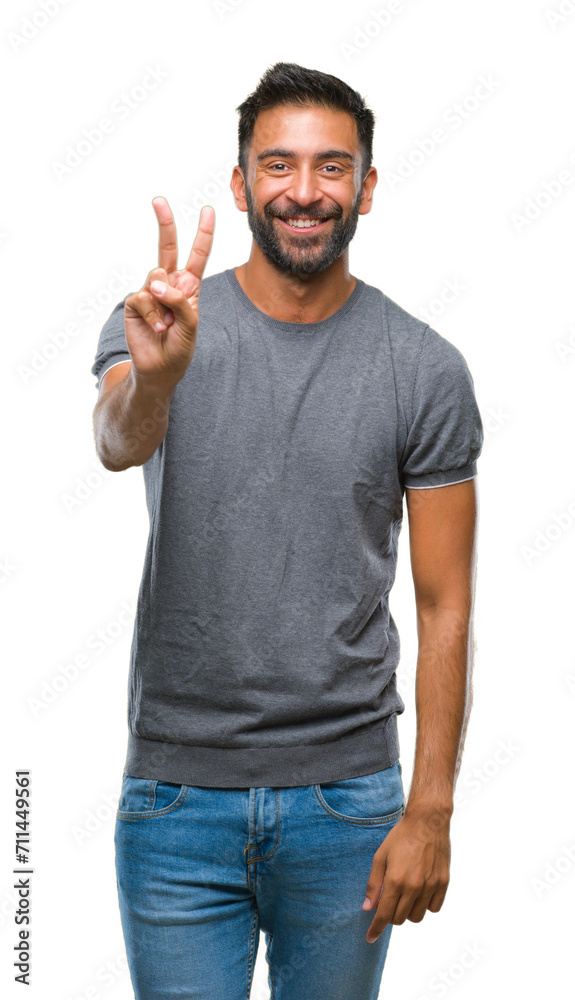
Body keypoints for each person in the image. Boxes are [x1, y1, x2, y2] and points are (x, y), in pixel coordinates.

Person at [91, 61, 483, 1000]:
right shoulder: (158, 322)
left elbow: (444, 601)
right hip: (175, 801)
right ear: (240, 184)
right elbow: (116, 441)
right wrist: (155, 374)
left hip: (347, 803)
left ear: (367, 187)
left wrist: (429, 806)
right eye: (277, 165)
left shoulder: (422, 367)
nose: (303, 192)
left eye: (330, 167)